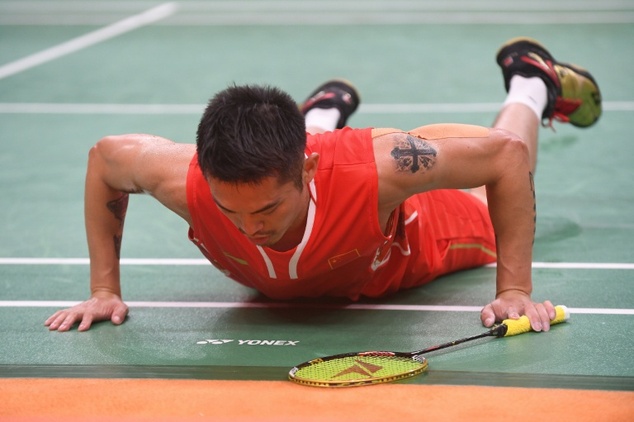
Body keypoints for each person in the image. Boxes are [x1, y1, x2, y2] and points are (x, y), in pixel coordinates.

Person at [45, 37, 601, 333]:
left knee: (503, 165)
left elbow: (504, 160)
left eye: (263, 211)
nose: (249, 229)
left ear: (306, 172)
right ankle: (316, 117)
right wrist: (104, 289)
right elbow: (104, 160)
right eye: (229, 212)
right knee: (269, 172)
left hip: (412, 240)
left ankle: (530, 81)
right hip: (314, 180)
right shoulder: (184, 180)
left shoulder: (372, 173)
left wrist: (512, 290)